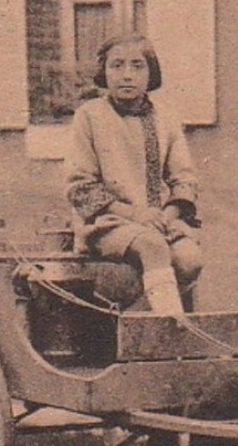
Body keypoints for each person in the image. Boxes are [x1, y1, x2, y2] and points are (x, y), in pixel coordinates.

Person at [65, 33, 203, 317]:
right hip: (106, 223)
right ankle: (169, 333)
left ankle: (140, 322)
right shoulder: (89, 117)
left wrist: (168, 215)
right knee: (152, 246)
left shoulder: (165, 119)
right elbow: (81, 186)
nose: (126, 75)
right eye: (117, 66)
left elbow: (184, 180)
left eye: (137, 66)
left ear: (151, 73)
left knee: (189, 259)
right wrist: (136, 214)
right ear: (104, 72)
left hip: (161, 222)